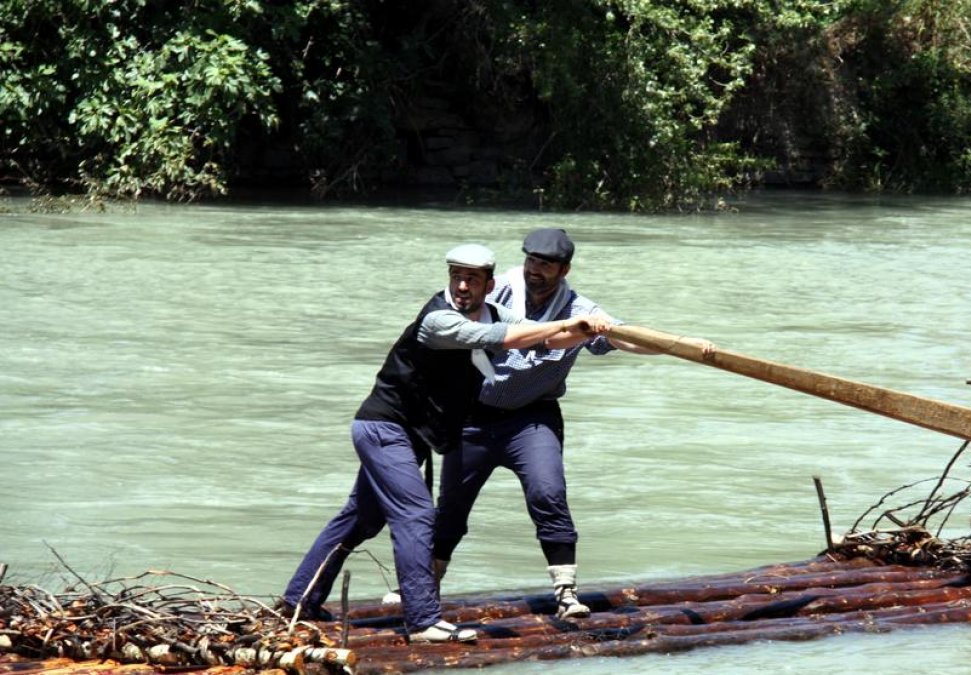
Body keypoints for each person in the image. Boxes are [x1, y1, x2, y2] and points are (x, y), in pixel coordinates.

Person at [278, 243, 610, 642]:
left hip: (413, 434)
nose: (462, 286)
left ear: (490, 284)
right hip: (385, 427)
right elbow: (501, 338)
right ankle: (421, 621)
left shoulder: (493, 310)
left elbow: (533, 338)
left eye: (472, 279)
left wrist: (586, 329)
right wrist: (572, 326)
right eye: (456, 276)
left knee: (359, 519)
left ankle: (299, 602)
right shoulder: (439, 320)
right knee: (417, 514)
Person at [385, 228, 712, 619]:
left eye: (545, 265)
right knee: (451, 509)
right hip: (472, 417)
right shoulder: (498, 289)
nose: (534, 270)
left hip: (531, 418)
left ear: (564, 269)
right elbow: (451, 317)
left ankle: (566, 592)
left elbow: (625, 338)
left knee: (548, 493)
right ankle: (422, 590)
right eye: (531, 261)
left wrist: (680, 344)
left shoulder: (581, 310)